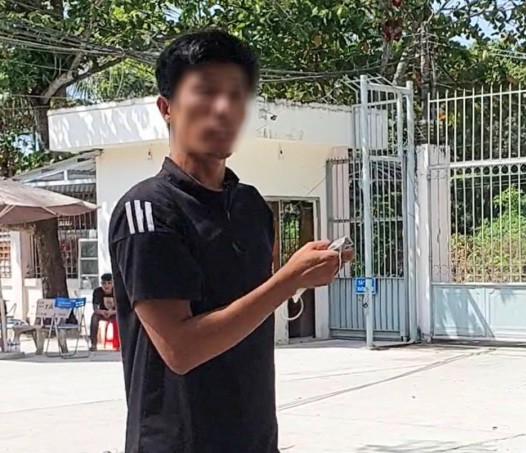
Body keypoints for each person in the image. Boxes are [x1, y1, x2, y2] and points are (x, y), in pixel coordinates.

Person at [108, 30, 352, 453]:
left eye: (235, 96)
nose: (223, 109)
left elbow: (248, 309)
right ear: (167, 108)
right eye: (205, 92)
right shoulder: (147, 210)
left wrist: (296, 278)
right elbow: (180, 349)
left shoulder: (251, 206)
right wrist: (289, 281)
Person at [89, 273, 116, 351]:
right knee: (94, 317)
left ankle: (121, 343)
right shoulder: (97, 291)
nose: (106, 286)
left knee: (123, 317)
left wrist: (112, 312)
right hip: (101, 313)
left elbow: (122, 308)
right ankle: (94, 343)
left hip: (115, 313)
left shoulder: (117, 291)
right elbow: (95, 308)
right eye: (104, 283)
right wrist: (102, 312)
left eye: (109, 283)